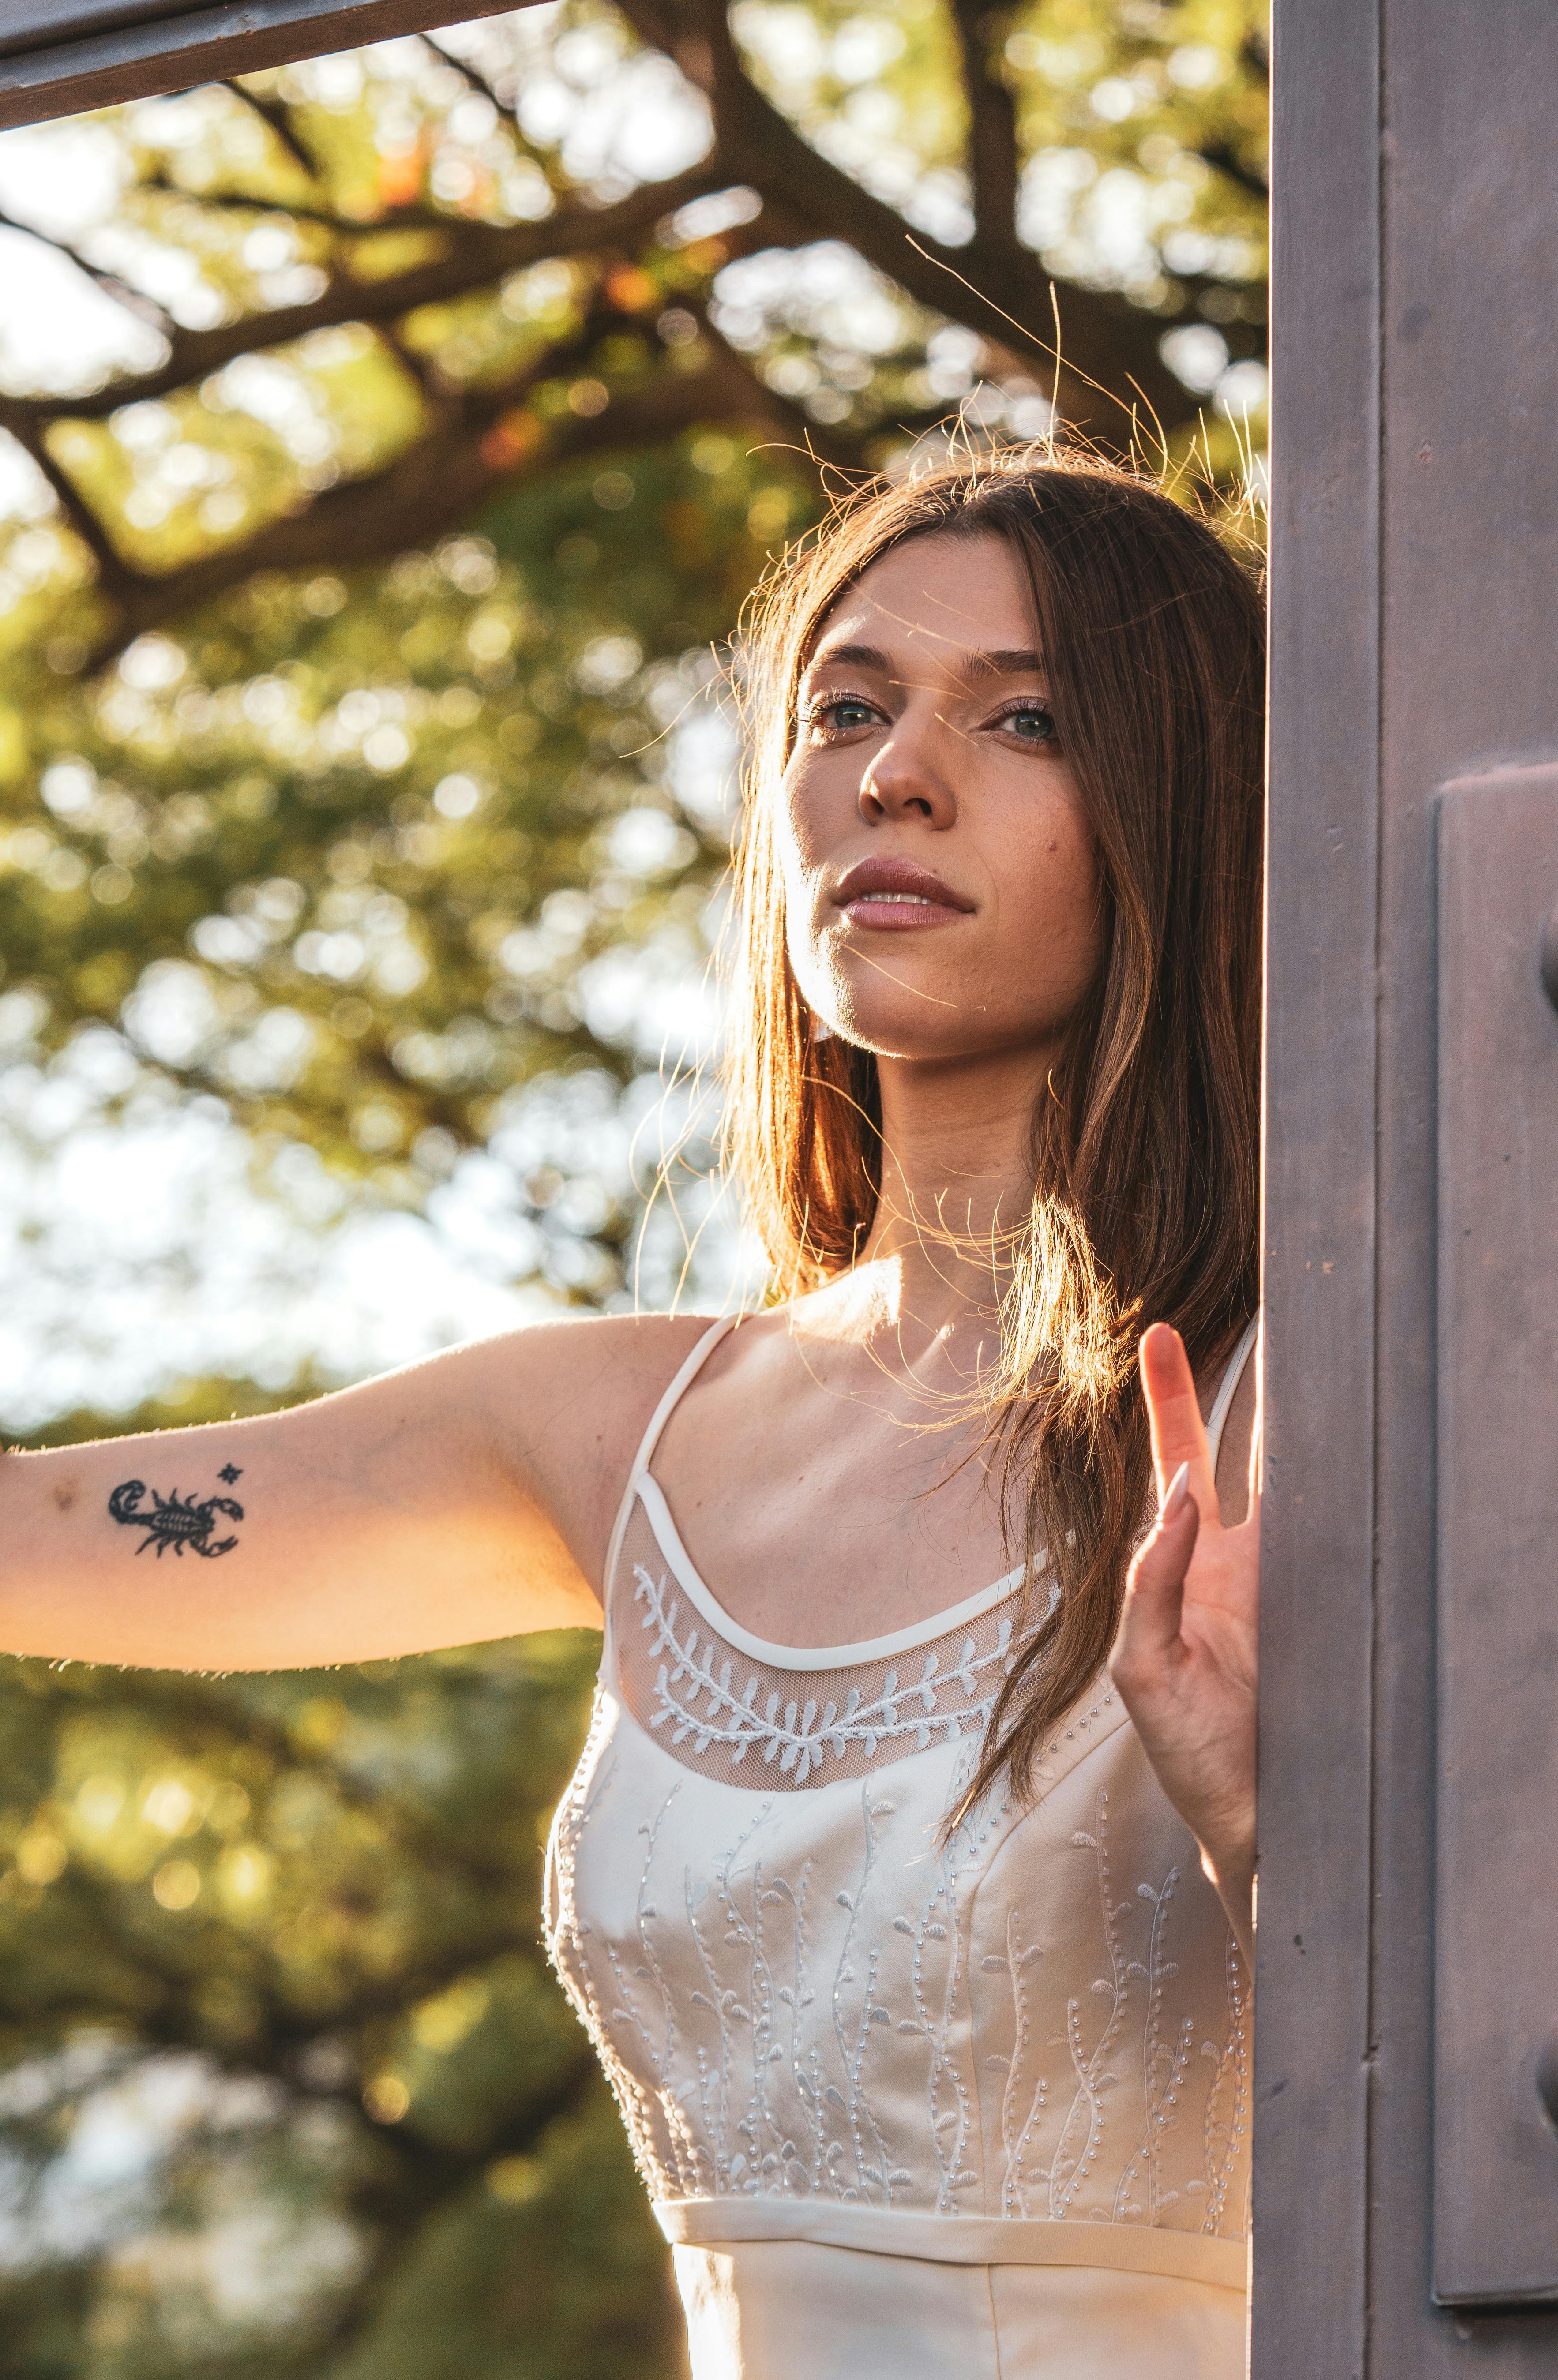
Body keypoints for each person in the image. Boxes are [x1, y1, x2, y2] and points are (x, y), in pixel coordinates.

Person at [0, 446, 1264, 2380]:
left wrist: (1268, 1823)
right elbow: (42, 1532)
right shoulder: (620, 1425)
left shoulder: (1309, 1403)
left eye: (1026, 717)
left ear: (1187, 800)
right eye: (845, 706)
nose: (893, 772)